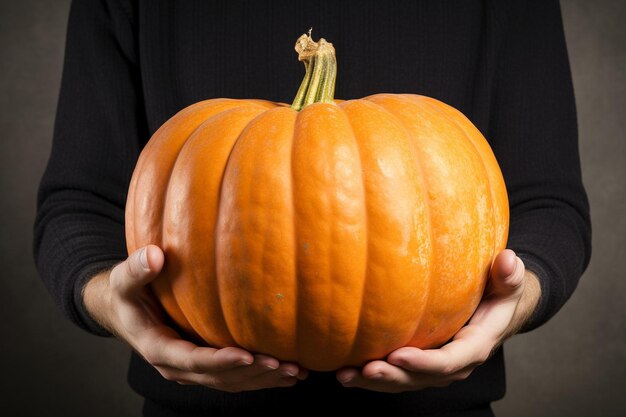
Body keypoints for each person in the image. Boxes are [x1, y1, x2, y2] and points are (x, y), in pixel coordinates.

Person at [34, 0, 591, 416]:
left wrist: (509, 309)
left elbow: (550, 205)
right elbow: (77, 204)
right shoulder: (198, 130)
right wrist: (113, 301)